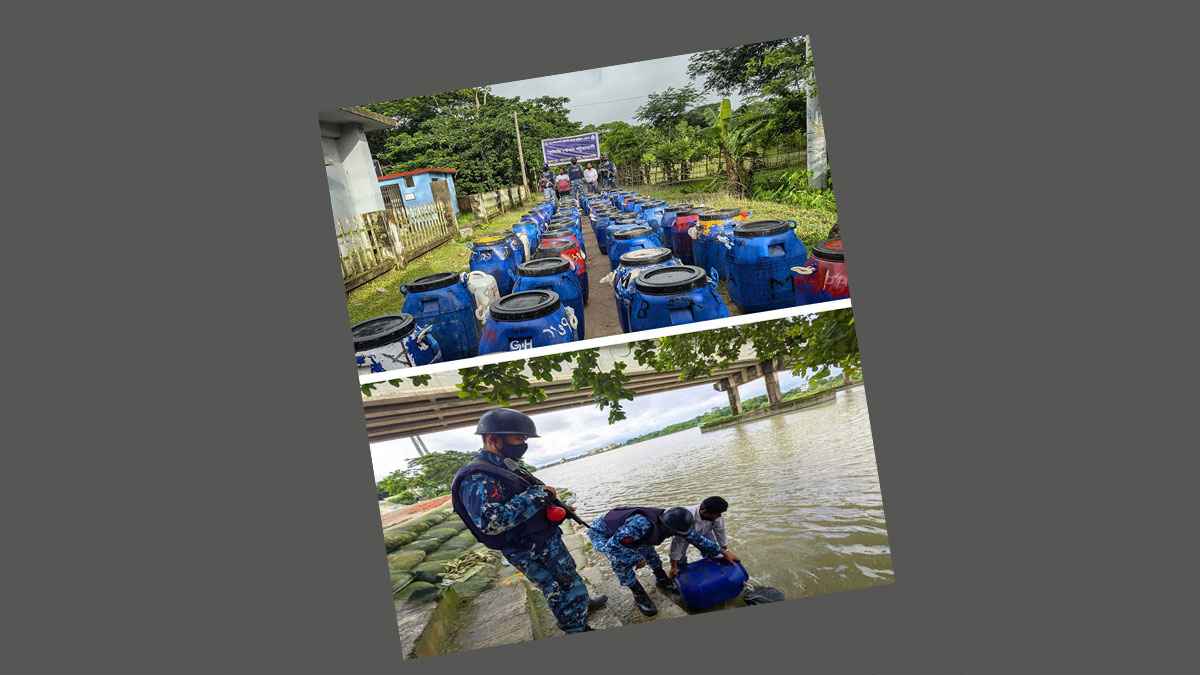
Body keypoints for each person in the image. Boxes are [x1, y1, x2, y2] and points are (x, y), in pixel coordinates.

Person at [450, 408, 607, 634]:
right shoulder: (477, 476)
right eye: (518, 439)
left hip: (545, 539)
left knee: (568, 576)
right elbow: (491, 522)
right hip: (527, 549)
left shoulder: (505, 464)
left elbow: (520, 498)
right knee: (556, 587)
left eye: (525, 439)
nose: (523, 444)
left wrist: (555, 505)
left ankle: (581, 605)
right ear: (493, 439)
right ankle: (575, 627)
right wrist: (538, 495)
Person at [587, 505, 725, 617]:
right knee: (621, 564)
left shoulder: (673, 519)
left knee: (649, 552)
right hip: (604, 533)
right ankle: (638, 593)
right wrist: (637, 559)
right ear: (667, 528)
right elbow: (613, 547)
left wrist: (721, 552)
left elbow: (695, 537)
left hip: (626, 533)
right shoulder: (641, 525)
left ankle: (661, 579)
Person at [668, 496, 740, 580]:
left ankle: (712, 570)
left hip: (705, 532)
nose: (719, 516)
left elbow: (720, 532)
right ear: (704, 512)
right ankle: (680, 574)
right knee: (679, 560)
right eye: (717, 514)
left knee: (714, 554)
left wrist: (725, 551)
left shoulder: (717, 516)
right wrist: (673, 566)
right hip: (683, 537)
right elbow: (677, 543)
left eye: (720, 514)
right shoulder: (686, 517)